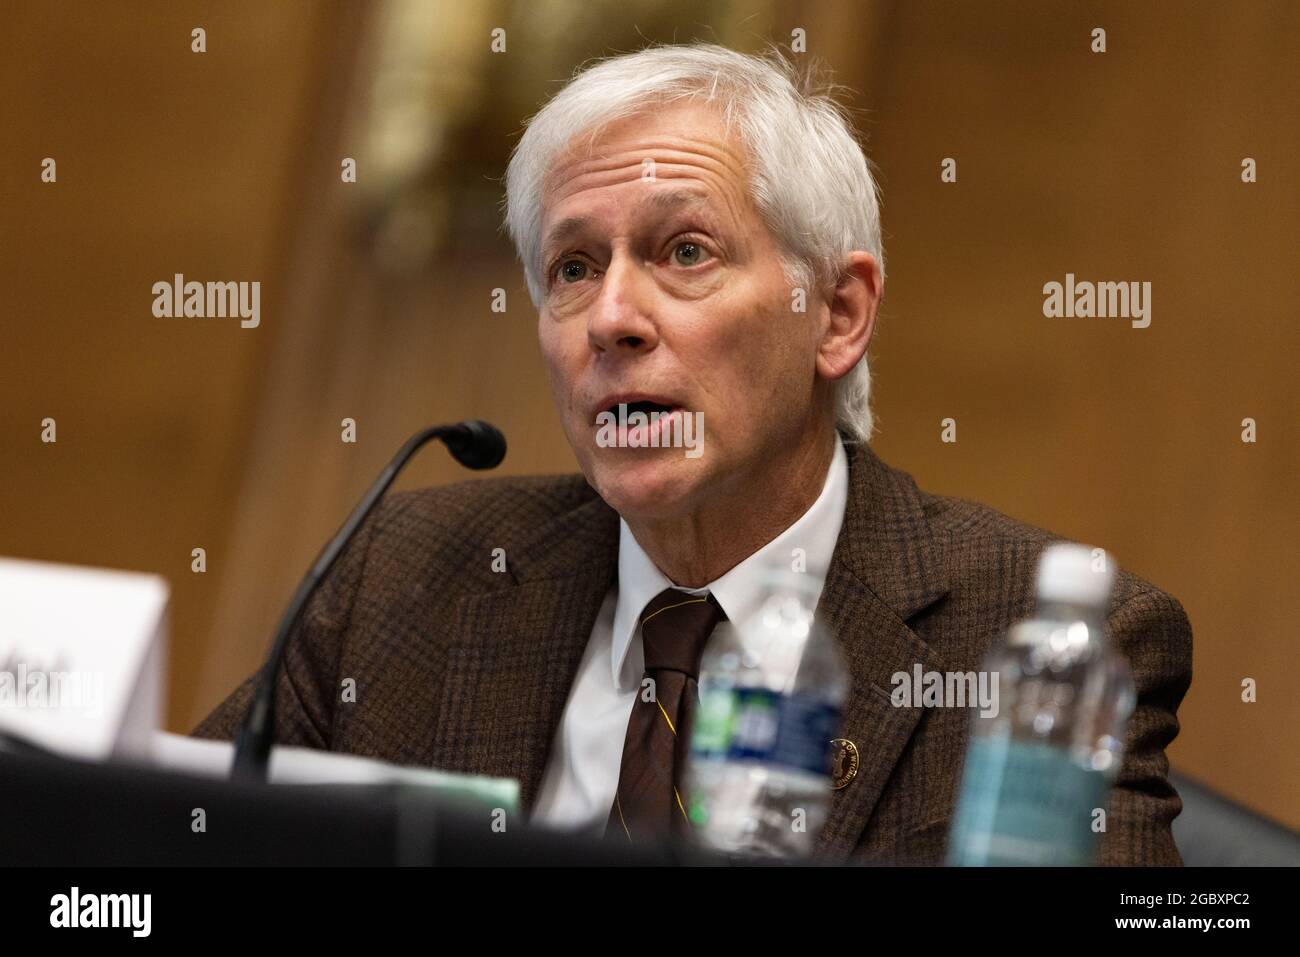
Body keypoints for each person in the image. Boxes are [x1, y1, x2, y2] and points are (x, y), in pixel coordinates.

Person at [194, 44, 1192, 864]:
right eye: (574, 268)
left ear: (835, 316)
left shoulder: (1025, 638)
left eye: (684, 252)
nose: (612, 320)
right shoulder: (404, 581)